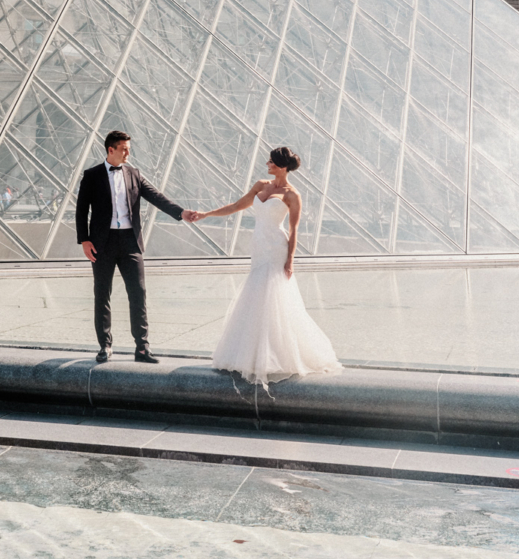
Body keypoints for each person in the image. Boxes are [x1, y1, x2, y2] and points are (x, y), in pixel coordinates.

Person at [186, 147, 340, 386]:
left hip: (276, 249)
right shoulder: (260, 185)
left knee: (274, 298)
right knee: (256, 297)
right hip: (259, 247)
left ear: (283, 166)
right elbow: (237, 206)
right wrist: (206, 214)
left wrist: (290, 260)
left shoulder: (292, 195)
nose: (267, 163)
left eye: (272, 161)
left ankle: (274, 355)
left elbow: (293, 230)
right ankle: (252, 352)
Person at [75, 129, 194, 364]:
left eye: (129, 149)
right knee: (102, 295)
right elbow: (81, 210)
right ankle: (105, 346)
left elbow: (157, 197)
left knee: (138, 294)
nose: (128, 153)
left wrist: (181, 212)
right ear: (111, 149)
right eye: (124, 149)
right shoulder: (92, 175)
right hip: (102, 244)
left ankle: (142, 347)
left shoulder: (134, 174)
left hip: (130, 242)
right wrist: (85, 240)